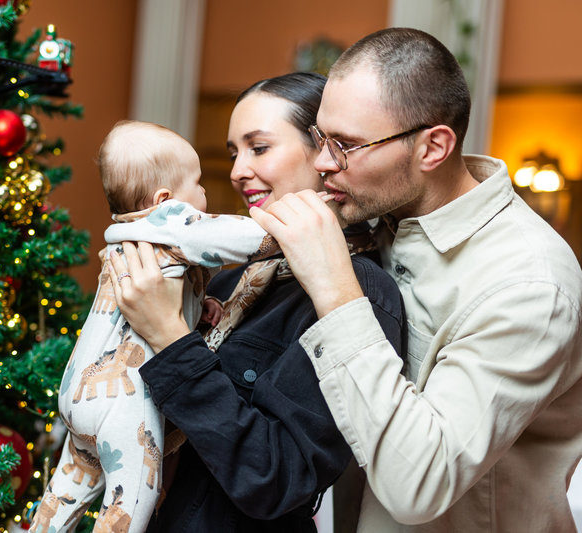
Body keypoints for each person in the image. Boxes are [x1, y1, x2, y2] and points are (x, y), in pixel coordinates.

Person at [249, 28, 582, 532]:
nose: (322, 163)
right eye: (322, 138)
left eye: (347, 145)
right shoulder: (376, 216)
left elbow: (418, 486)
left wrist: (335, 288)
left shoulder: (529, 284)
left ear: (433, 148)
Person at [107, 73, 405, 532]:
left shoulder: (355, 290)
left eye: (258, 148)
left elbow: (277, 481)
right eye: (233, 152)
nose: (236, 170)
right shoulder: (225, 282)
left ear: (324, 153)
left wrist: (170, 336)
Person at [33, 120, 282, 533]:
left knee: (63, 494)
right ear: (165, 198)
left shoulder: (124, 239)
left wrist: (199, 305)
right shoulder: (170, 223)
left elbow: (156, 297)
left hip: (77, 392)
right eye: (198, 183)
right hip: (120, 400)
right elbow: (249, 239)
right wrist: (297, 225)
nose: (204, 194)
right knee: (131, 500)